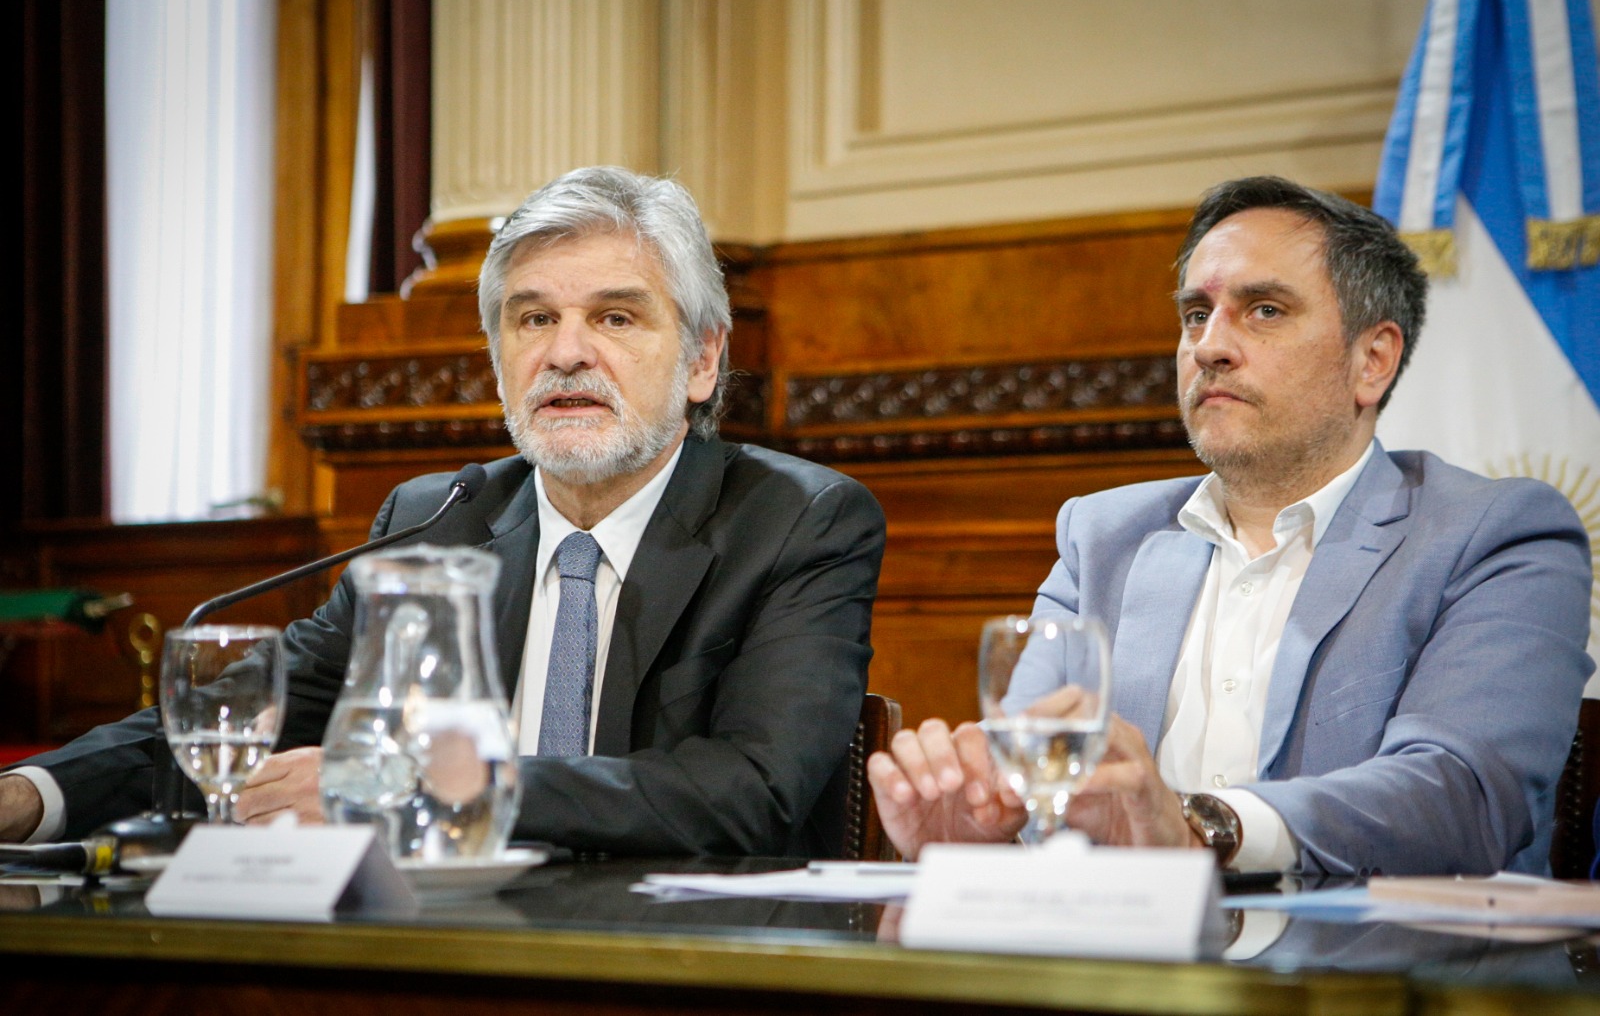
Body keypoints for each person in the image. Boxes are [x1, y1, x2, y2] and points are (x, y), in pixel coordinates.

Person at [0, 167, 887, 857]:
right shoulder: (440, 518)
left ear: (701, 361)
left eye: (615, 318)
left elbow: (748, 787)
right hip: (449, 947)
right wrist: (37, 794)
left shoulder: (798, 522)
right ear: (498, 355)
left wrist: (423, 786)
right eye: (532, 319)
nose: (566, 353)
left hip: (690, 962)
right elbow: (245, 719)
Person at [869, 176, 1593, 877]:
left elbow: (1462, 795)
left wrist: (1202, 828)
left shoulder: (1495, 535)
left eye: (1265, 310)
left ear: (1372, 360)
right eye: (1195, 314)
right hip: (1123, 972)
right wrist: (981, 837)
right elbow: (1034, 791)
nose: (1209, 345)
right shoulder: (1103, 538)